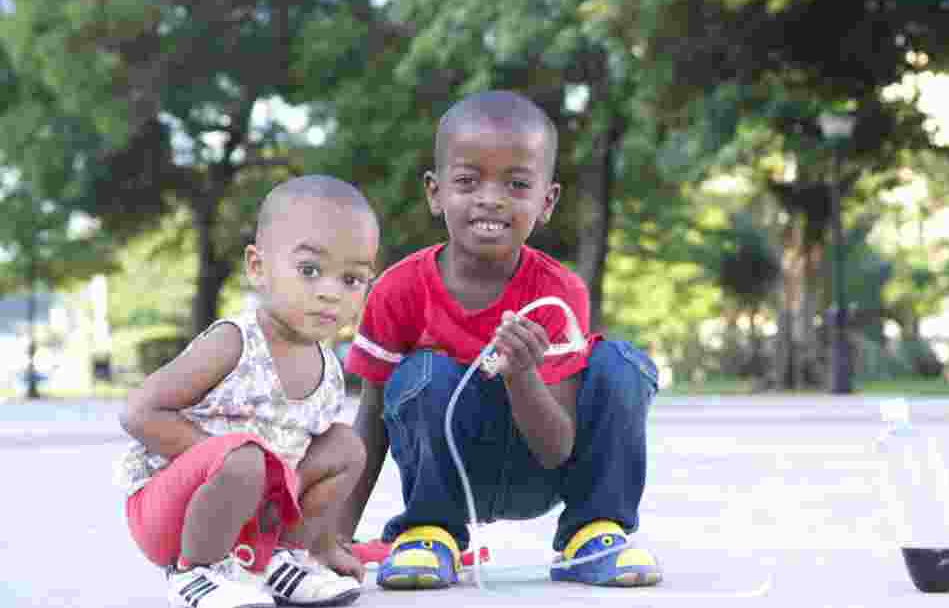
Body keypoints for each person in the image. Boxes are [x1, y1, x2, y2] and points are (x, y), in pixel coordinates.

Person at [340, 90, 662, 590]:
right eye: (468, 181)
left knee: (622, 363)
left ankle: (594, 531)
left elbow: (556, 449)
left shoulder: (558, 292)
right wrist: (332, 539)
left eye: (516, 184)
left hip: (542, 471)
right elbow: (370, 423)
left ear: (546, 201)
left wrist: (520, 373)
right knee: (420, 373)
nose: (490, 198)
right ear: (435, 192)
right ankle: (430, 532)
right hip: (451, 476)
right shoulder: (398, 290)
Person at [115, 175, 379, 608]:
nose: (330, 292)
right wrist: (234, 461)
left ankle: (278, 560)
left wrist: (327, 544)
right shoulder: (234, 342)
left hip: (254, 512)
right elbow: (138, 413)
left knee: (345, 446)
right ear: (258, 268)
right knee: (246, 459)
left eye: (351, 279)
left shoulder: (329, 368)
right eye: (310, 270)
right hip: (175, 513)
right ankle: (196, 572)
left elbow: (308, 461)